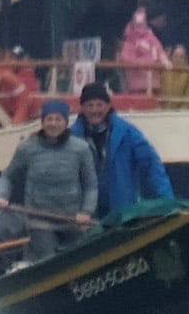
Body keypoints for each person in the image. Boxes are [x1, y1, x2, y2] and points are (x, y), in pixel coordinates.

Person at [0, 96, 101, 266]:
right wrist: (2, 197)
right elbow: (8, 176)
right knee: (50, 262)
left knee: (75, 263)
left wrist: (86, 211)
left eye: (58, 119)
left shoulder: (81, 148)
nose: (53, 124)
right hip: (40, 222)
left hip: (73, 221)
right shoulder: (28, 148)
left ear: (66, 122)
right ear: (42, 122)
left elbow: (90, 185)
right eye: (49, 119)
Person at [72, 81, 172, 214]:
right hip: (84, 213)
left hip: (121, 211)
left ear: (108, 106)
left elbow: (151, 165)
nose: (94, 110)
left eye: (99, 105)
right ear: (82, 108)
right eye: (89, 105)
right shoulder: (71, 137)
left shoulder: (128, 133)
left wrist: (168, 201)